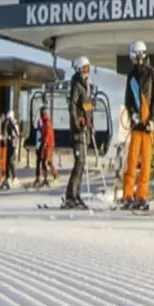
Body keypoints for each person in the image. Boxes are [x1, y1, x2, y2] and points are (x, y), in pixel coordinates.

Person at [121, 40, 154, 210]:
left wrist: (152, 120)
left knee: (146, 162)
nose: (132, 60)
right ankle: (128, 195)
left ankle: (141, 196)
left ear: (140, 55)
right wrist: (133, 115)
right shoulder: (131, 76)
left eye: (134, 56)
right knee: (132, 161)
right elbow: (128, 100)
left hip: (148, 125)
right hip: (136, 125)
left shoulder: (151, 74)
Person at [63, 57, 93, 208]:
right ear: (80, 70)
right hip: (78, 131)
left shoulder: (86, 85)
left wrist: (90, 121)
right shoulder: (76, 84)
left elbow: (87, 105)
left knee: (82, 163)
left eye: (89, 69)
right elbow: (73, 106)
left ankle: (77, 194)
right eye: (85, 69)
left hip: (85, 130)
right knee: (79, 162)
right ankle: (70, 195)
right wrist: (78, 122)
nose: (88, 72)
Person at [0, 107, 20, 189]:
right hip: (7, 145)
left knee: (10, 161)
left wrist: (6, 137)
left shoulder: (13, 125)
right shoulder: (6, 124)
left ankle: (13, 177)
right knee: (6, 162)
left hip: (12, 145)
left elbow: (15, 135)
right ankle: (8, 177)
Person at [32, 105, 56, 188]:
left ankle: (53, 175)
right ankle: (45, 177)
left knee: (47, 161)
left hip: (48, 145)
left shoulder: (47, 123)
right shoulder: (44, 122)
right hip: (45, 144)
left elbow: (48, 134)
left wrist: (44, 142)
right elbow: (42, 132)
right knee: (43, 161)